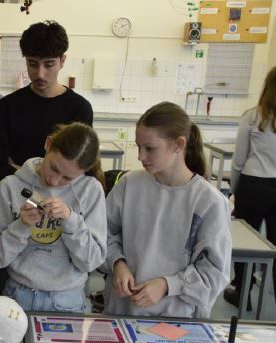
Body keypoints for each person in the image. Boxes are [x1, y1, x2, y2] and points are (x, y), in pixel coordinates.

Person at [103, 102, 231, 318]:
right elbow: (103, 235)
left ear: (179, 145)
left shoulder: (209, 201)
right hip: (123, 313)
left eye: (150, 148)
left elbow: (214, 273)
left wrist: (167, 285)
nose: (140, 156)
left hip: (177, 318)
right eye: (138, 147)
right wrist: (118, 263)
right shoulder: (129, 184)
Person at [0, 123, 106, 312]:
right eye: (54, 168)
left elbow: (92, 262)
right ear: (48, 144)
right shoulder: (9, 187)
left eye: (67, 179)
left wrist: (71, 220)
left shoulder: (90, 190)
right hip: (17, 296)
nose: (54, 181)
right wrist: (21, 226)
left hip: (68, 301)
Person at [0, 20, 93, 180]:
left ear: (62, 61)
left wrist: (23, 170)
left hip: (63, 192)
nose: (40, 74)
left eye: (49, 65)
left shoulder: (80, 108)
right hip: (16, 191)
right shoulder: (7, 107)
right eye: (32, 64)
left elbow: (81, 164)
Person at [225, 65, 276, 309]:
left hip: (253, 184)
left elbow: (238, 161)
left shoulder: (252, 117)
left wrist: (234, 191)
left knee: (244, 241)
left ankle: (241, 292)